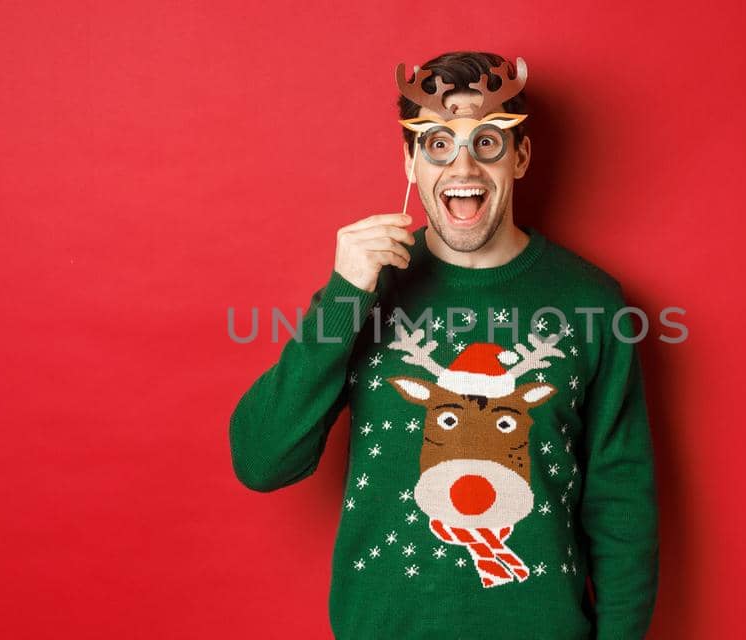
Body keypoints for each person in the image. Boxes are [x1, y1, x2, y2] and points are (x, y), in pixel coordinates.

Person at [229, 51, 658, 639]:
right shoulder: (360, 293)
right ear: (410, 161)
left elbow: (621, 503)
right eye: (436, 143)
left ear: (521, 157)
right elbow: (261, 461)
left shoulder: (594, 303)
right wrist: (340, 299)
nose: (463, 166)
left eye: (487, 142)